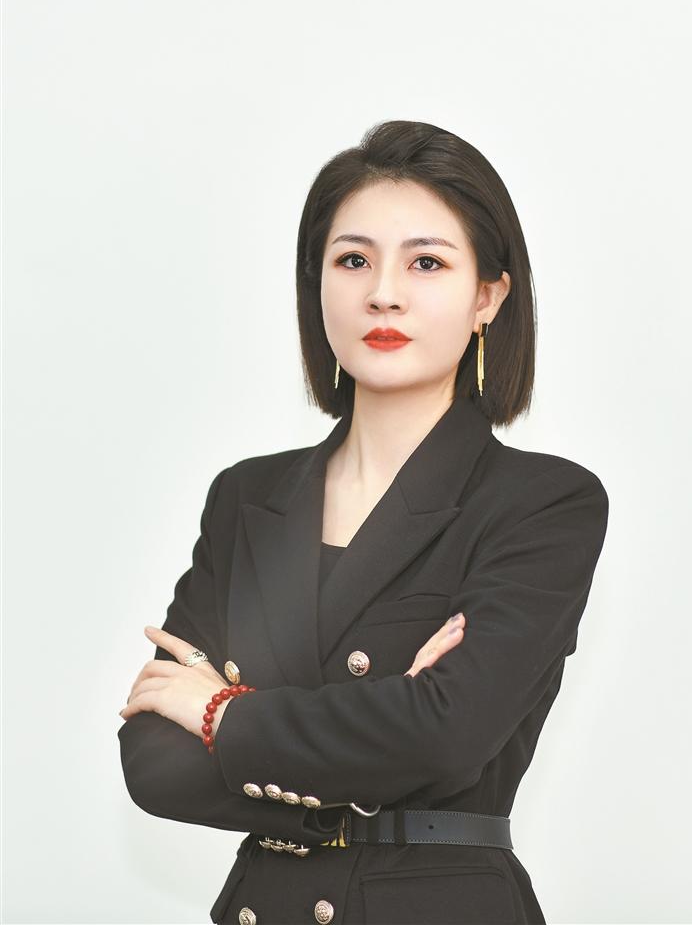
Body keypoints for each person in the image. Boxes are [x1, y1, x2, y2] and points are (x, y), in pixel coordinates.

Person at [117, 119, 610, 925]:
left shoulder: (542, 502)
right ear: (316, 285)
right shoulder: (246, 496)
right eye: (353, 260)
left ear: (488, 297)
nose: (383, 293)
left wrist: (220, 712)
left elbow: (447, 735)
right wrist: (382, 732)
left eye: (426, 263)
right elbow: (153, 762)